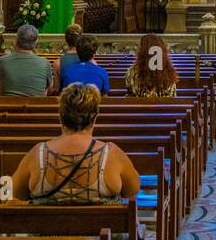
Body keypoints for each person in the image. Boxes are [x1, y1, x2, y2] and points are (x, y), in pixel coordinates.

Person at [10, 84, 141, 205]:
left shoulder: (38, 153)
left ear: (61, 116)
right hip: (103, 229)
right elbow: (132, 191)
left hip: (49, 229)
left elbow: (16, 193)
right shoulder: (111, 154)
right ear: (94, 118)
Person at [0, 23, 53, 96]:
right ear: (36, 42)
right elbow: (50, 89)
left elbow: (1, 87)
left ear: (17, 40)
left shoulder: (2, 61)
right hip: (36, 106)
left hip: (10, 106)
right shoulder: (44, 63)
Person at [52, 24, 82, 92]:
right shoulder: (91, 61)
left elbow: (57, 90)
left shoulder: (57, 63)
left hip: (65, 100)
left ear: (66, 39)